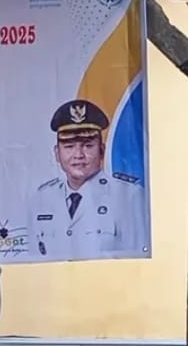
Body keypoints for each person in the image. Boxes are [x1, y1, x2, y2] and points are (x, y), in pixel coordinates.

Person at [32, 98, 144, 260]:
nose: (78, 155)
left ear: (102, 150)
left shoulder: (129, 197)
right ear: (57, 153)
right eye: (69, 146)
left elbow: (139, 264)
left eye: (87, 145)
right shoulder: (41, 200)